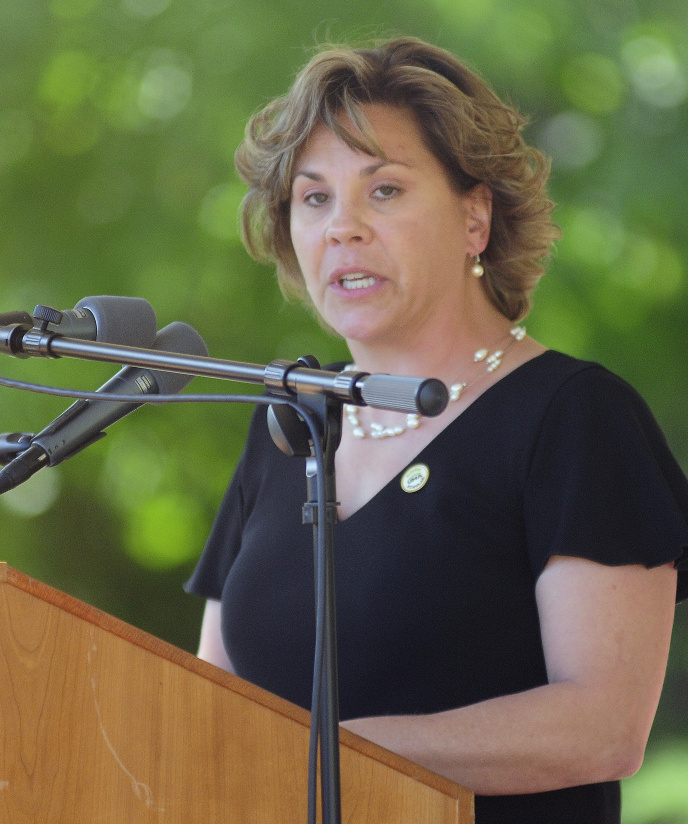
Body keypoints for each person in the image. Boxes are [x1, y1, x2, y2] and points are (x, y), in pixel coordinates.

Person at [185, 36, 688, 824]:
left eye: (383, 190)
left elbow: (603, 727)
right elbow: (205, 705)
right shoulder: (288, 423)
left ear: (475, 218)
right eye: (314, 199)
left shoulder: (574, 418)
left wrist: (328, 752)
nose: (341, 227)